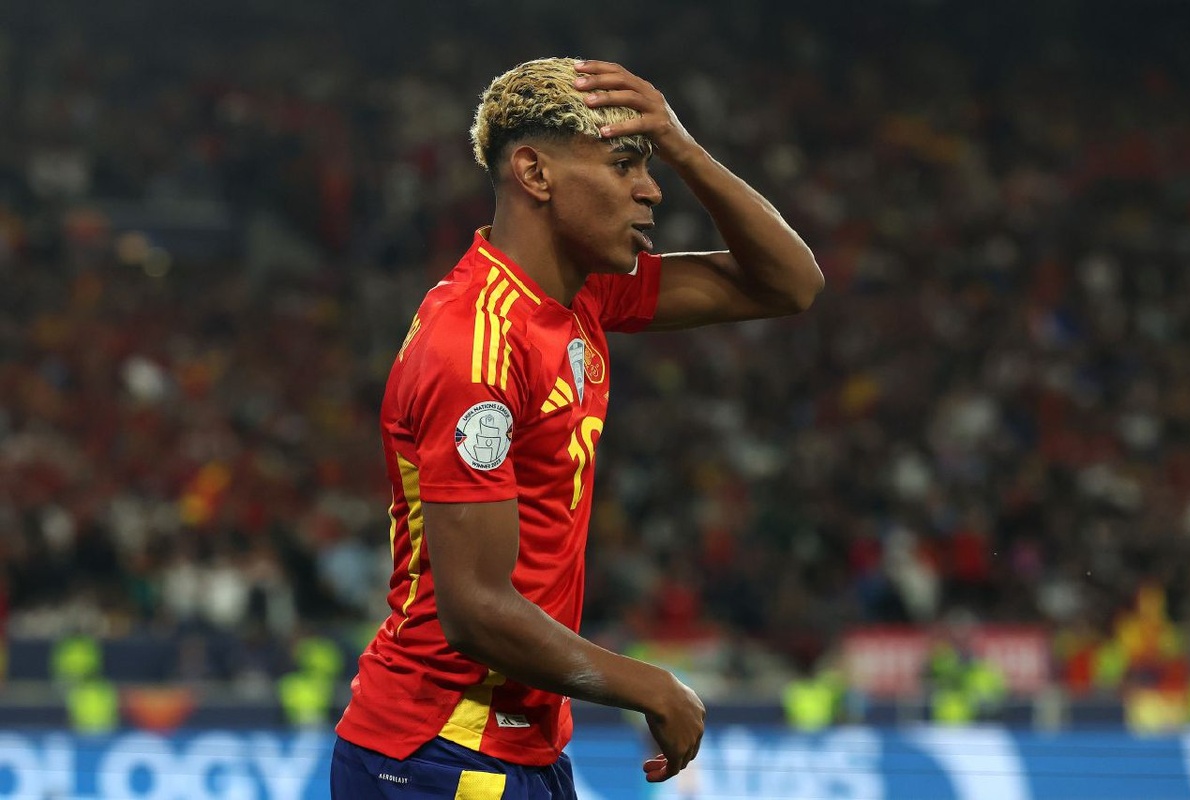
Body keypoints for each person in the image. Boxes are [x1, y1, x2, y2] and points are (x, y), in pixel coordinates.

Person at [330, 57, 824, 799]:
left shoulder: (582, 294)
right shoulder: (474, 346)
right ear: (535, 173)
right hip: (436, 750)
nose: (652, 189)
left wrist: (684, 146)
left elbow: (791, 283)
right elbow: (474, 611)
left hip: (518, 745)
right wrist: (648, 686)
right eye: (625, 165)